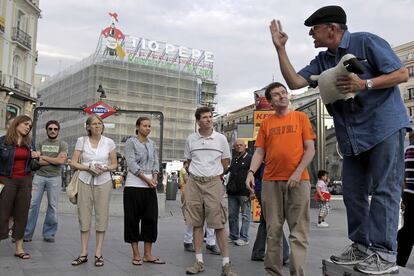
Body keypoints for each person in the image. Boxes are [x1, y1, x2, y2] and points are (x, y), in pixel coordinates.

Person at [269, 5, 409, 274]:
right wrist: (280, 49)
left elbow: (401, 74)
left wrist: (364, 84)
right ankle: (361, 245)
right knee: (354, 194)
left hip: (383, 127)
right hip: (352, 135)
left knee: (384, 190)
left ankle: (384, 253)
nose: (311, 33)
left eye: (315, 29)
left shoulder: (366, 42)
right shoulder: (322, 60)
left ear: (332, 29)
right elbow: (295, 82)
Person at [246, 82, 316, 276]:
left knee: (298, 232)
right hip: (270, 181)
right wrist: (251, 172)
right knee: (273, 231)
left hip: (299, 180)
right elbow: (260, 152)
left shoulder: (301, 118)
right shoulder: (267, 124)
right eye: (276, 95)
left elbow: (310, 149)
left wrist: (297, 171)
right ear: (270, 102)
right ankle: (272, 272)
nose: (281, 96)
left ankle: (297, 273)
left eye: (283, 92)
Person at [183, 106, 236, 275]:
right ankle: (199, 262)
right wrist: (196, 175)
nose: (208, 119)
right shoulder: (191, 139)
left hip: (214, 183)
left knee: (218, 222)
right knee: (196, 222)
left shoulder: (220, 139)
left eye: (210, 117)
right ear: (198, 120)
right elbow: (188, 161)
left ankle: (226, 264)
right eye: (204, 117)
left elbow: (226, 162)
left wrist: (215, 175)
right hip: (194, 183)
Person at [70, 114, 117, 267]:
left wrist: (104, 168)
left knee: (101, 217)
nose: (98, 126)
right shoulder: (81, 141)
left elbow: (114, 165)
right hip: (84, 180)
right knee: (84, 217)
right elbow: (73, 162)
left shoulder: (109, 142)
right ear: (88, 126)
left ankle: (98, 253)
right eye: (94, 124)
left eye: (100, 123)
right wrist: (88, 167)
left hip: (104, 181)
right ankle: (83, 253)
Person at [124, 117, 165, 266]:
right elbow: (131, 163)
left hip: (150, 186)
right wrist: (146, 180)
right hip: (133, 186)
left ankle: (148, 254)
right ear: (138, 127)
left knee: (151, 219)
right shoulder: (131, 142)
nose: (148, 128)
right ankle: (136, 255)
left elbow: (155, 162)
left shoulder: (152, 143)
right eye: (145, 125)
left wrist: (154, 177)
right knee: (132, 220)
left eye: (149, 126)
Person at [0, 115, 40, 260]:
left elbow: (34, 166)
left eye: (30, 125)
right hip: (6, 180)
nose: (28, 127)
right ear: (17, 124)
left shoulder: (29, 143)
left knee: (22, 214)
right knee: (2, 213)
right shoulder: (2, 141)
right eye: (25, 124)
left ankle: (19, 248)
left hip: (25, 181)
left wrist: (36, 158)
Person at [24, 120, 68, 242]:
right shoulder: (40, 144)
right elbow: (37, 162)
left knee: (52, 206)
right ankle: (27, 234)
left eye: (55, 129)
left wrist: (43, 157)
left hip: (55, 178)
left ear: (58, 130)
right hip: (39, 177)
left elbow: (60, 161)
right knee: (32, 205)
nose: (53, 131)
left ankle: (49, 234)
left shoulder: (63, 144)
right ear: (46, 130)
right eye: (50, 129)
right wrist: (53, 159)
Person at [251, 163, 290, 265]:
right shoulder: (266, 155)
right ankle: (283, 254)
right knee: (273, 220)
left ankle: (258, 252)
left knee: (266, 221)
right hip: (266, 189)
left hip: (265, 188)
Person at [181, 161, 220, 254]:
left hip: (210, 187)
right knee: (193, 216)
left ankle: (211, 243)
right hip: (195, 188)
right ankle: (188, 241)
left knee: (211, 216)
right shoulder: (195, 161)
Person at [227, 139, 253, 246]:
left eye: (241, 145)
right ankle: (233, 235)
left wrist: (252, 191)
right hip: (232, 192)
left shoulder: (250, 158)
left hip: (244, 192)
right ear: (234, 147)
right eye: (236, 145)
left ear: (245, 146)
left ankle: (244, 237)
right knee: (232, 215)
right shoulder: (234, 159)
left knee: (245, 216)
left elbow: (253, 176)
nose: (239, 147)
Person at [397, 131, 414, 266]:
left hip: (409, 195)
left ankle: (399, 262)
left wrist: (403, 196)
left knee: (408, 228)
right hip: (410, 194)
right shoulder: (410, 150)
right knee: (408, 230)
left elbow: (403, 177)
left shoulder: (407, 149)